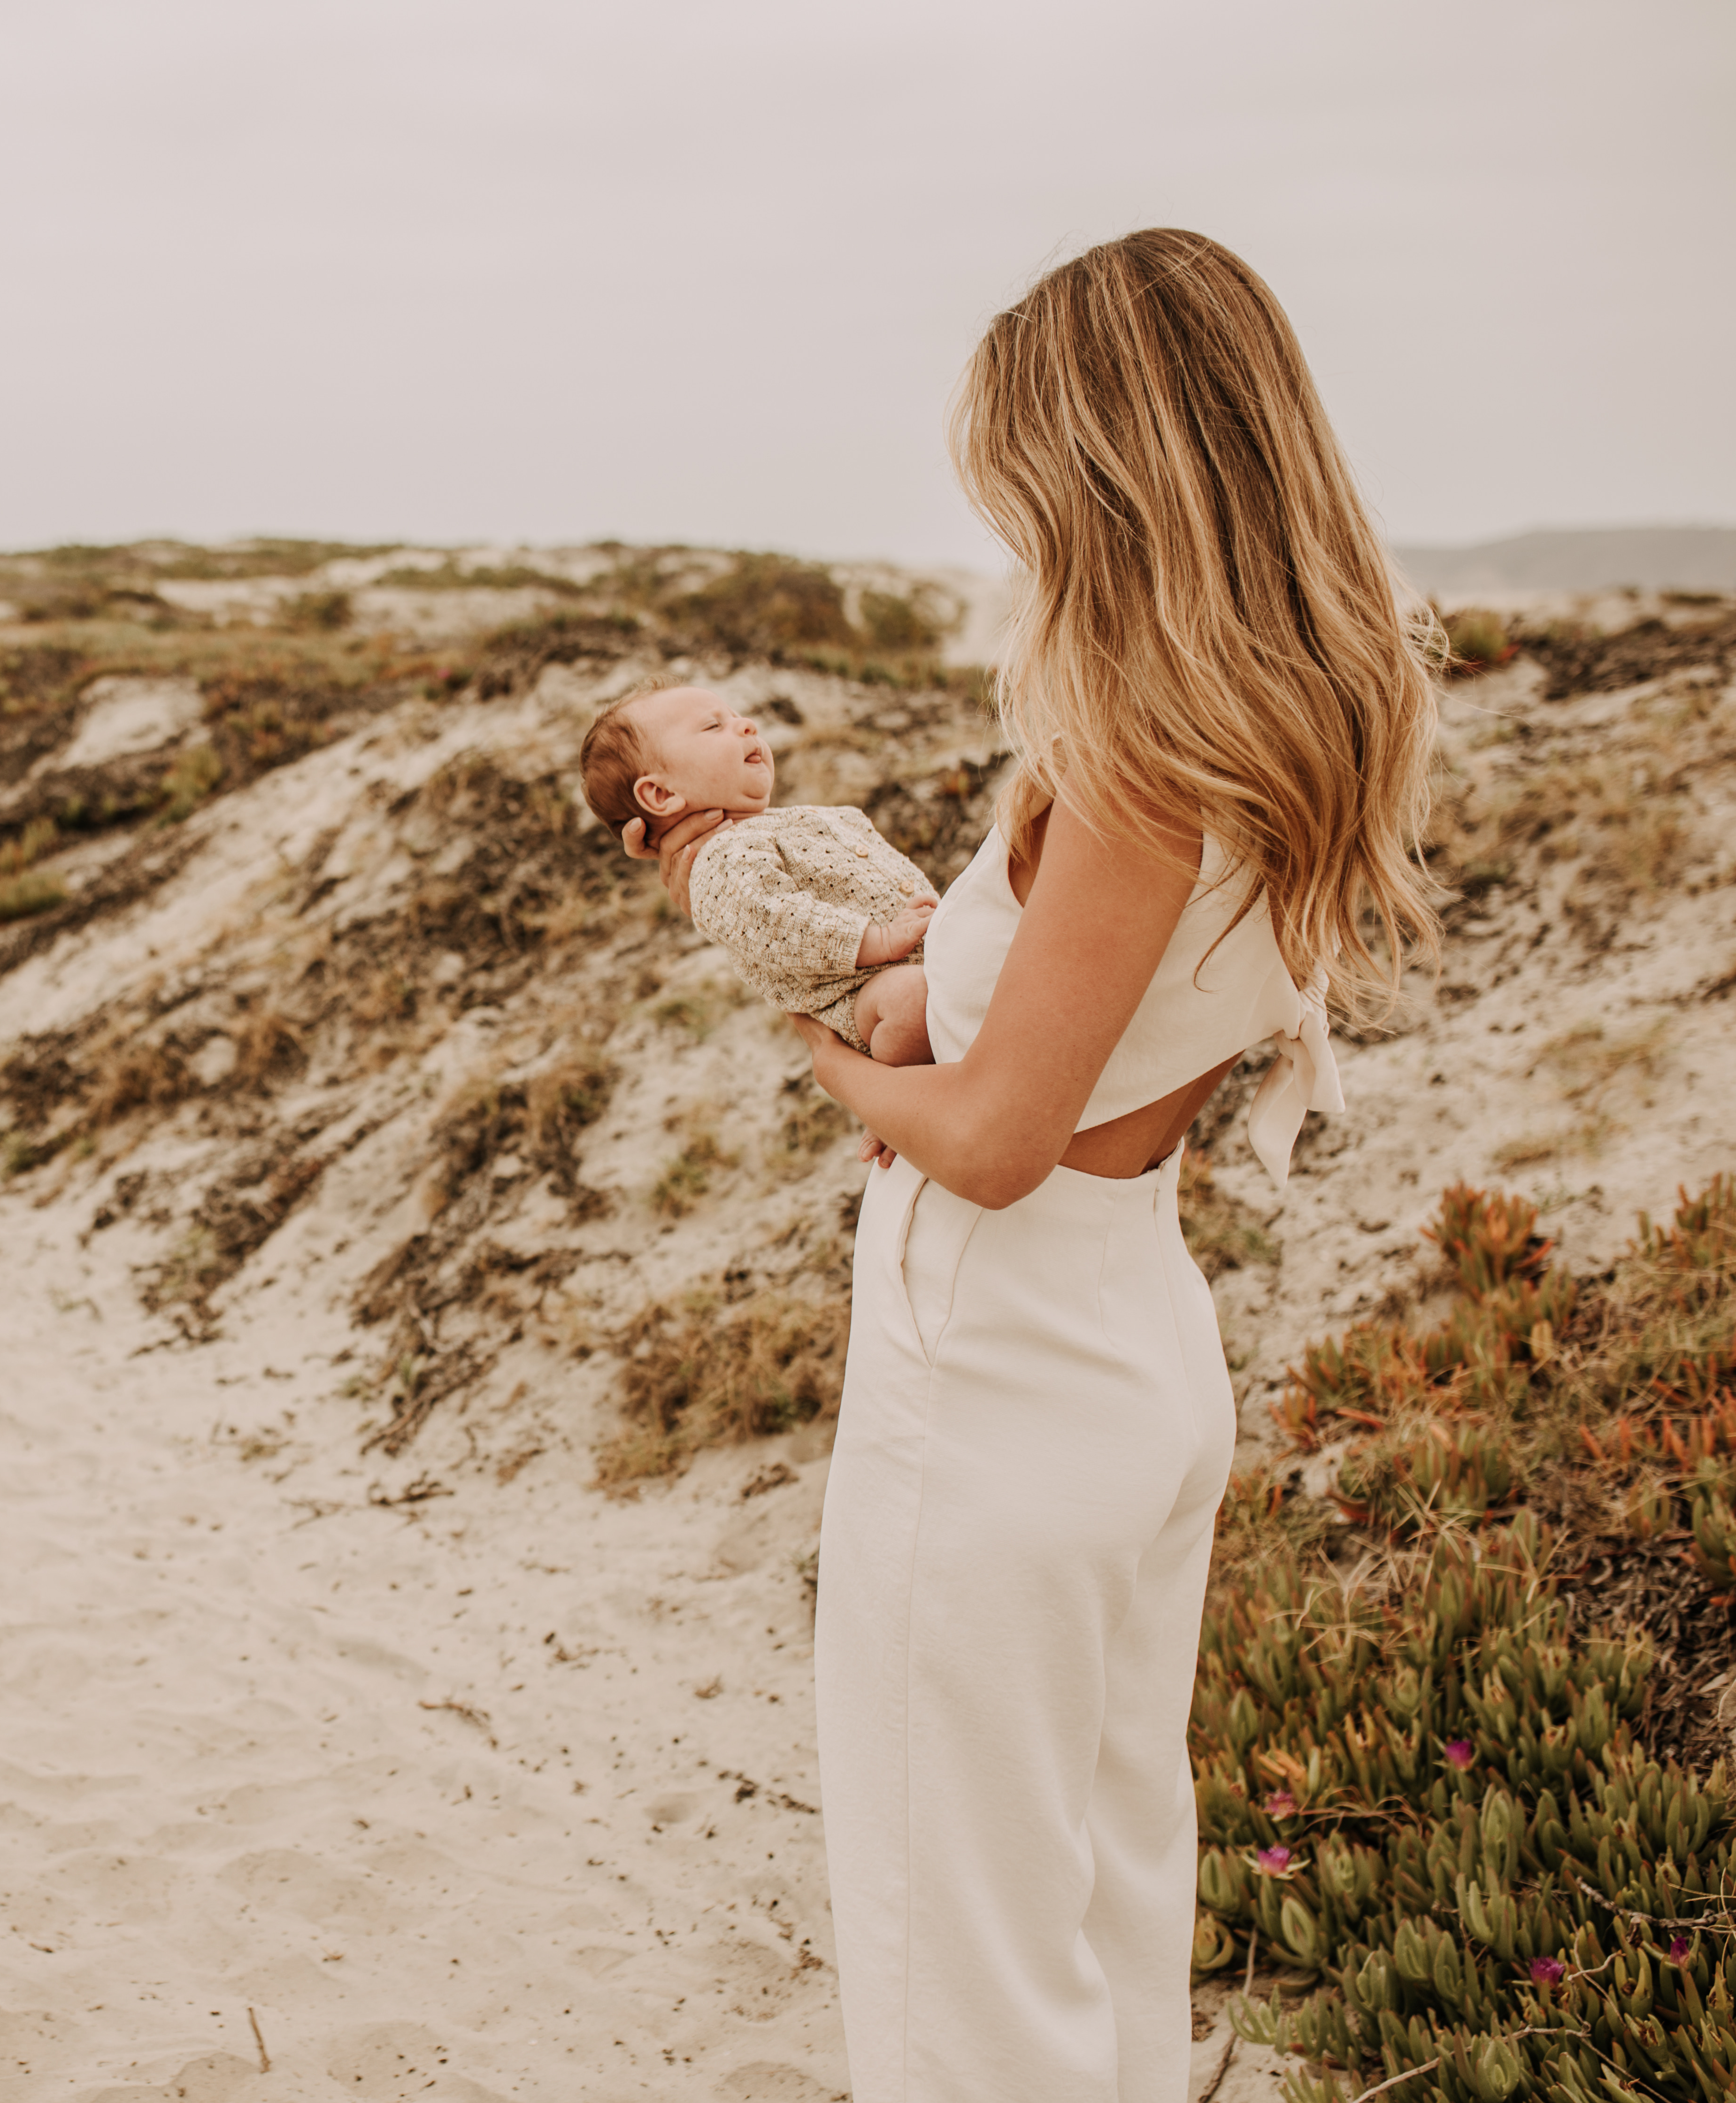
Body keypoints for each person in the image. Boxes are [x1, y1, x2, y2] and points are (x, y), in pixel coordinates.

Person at [631, 230, 1438, 2102]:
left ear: (1097, 468)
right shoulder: (1312, 713)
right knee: (1103, 1890)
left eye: (1016, 477)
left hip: (997, 1351)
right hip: (1142, 1330)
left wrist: (838, 1059)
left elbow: (992, 1141)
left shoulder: (1140, 760)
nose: (1004, 522)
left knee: (957, 1959)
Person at [582, 683, 937, 1064]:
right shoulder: (720, 860)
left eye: (737, 716)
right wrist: (878, 940)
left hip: (925, 950)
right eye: (712, 727)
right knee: (913, 1003)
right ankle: (906, 1105)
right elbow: (777, 922)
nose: (747, 725)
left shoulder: (788, 822)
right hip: (863, 990)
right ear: (661, 794)